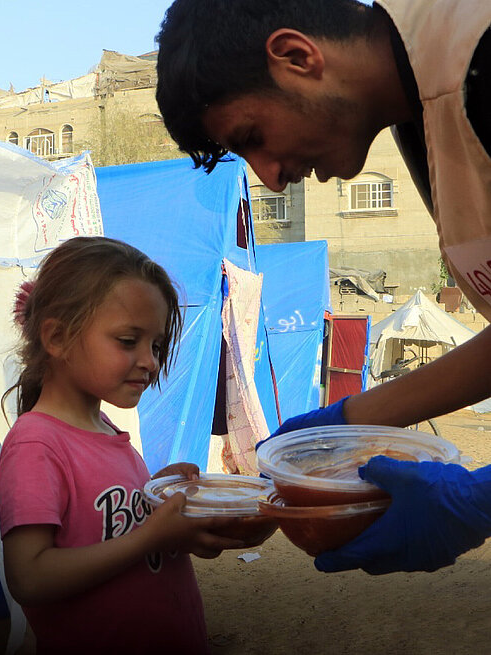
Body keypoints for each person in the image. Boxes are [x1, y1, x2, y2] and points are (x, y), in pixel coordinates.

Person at [155, 0, 491, 574]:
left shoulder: (477, 61)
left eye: (253, 135)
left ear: (296, 56)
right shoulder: (421, 114)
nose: (269, 176)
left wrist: (478, 500)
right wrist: (352, 418)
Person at [0, 236, 250, 654]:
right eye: (129, 341)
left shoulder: (108, 430)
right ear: (57, 338)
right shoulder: (36, 445)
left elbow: (108, 528)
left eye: (156, 345)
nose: (150, 361)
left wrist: (160, 502)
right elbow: (30, 576)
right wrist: (149, 537)